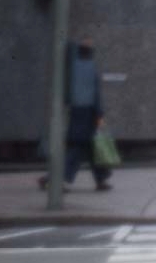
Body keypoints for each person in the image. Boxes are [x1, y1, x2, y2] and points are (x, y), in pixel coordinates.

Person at [39, 39, 111, 192]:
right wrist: (99, 115)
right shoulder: (90, 69)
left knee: (90, 149)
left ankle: (100, 180)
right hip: (88, 116)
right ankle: (56, 180)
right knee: (79, 150)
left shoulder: (74, 69)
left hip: (77, 114)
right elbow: (95, 95)